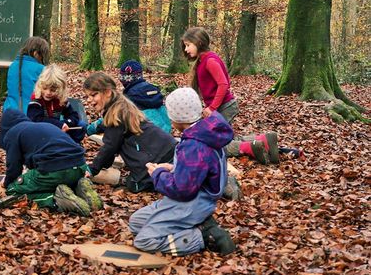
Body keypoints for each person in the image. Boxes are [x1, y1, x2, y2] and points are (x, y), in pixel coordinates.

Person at [129, 87, 236, 256]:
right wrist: (173, 169)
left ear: (178, 118)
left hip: (191, 203)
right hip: (192, 196)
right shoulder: (203, 133)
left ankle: (202, 235)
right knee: (135, 222)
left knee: (144, 241)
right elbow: (200, 170)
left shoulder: (194, 145)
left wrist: (157, 175)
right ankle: (192, 225)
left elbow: (183, 190)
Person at [182, 27, 280, 165]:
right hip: (220, 107)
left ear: (198, 42)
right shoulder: (203, 61)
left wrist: (212, 108)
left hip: (225, 106)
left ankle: (250, 147)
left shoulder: (210, 60)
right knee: (224, 138)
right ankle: (263, 140)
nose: (186, 49)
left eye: (188, 45)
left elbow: (223, 84)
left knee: (215, 144)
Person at [82, 73, 177, 193]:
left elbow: (110, 147)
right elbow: (112, 135)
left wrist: (92, 169)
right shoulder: (122, 105)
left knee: (133, 184)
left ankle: (166, 178)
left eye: (93, 95)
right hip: (170, 151)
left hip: (156, 159)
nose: (89, 100)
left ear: (107, 92)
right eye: (87, 96)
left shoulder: (115, 115)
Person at [0, 108, 102, 216]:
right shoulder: (44, 126)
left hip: (55, 171)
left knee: (13, 190)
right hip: (80, 167)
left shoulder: (12, 133)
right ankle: (78, 190)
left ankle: (55, 201)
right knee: (60, 180)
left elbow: (13, 167)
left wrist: (7, 182)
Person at [27, 64, 86, 142]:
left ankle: (72, 145)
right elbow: (36, 119)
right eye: (45, 88)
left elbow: (73, 115)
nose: (48, 92)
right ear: (40, 86)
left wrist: (66, 123)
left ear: (60, 89)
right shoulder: (36, 99)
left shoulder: (60, 98)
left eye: (53, 90)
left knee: (81, 125)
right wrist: (59, 125)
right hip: (41, 132)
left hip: (57, 129)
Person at [3, 36, 50, 112]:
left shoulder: (13, 66)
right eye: (42, 56)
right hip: (32, 114)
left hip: (9, 113)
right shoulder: (41, 69)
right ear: (35, 53)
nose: (42, 59)